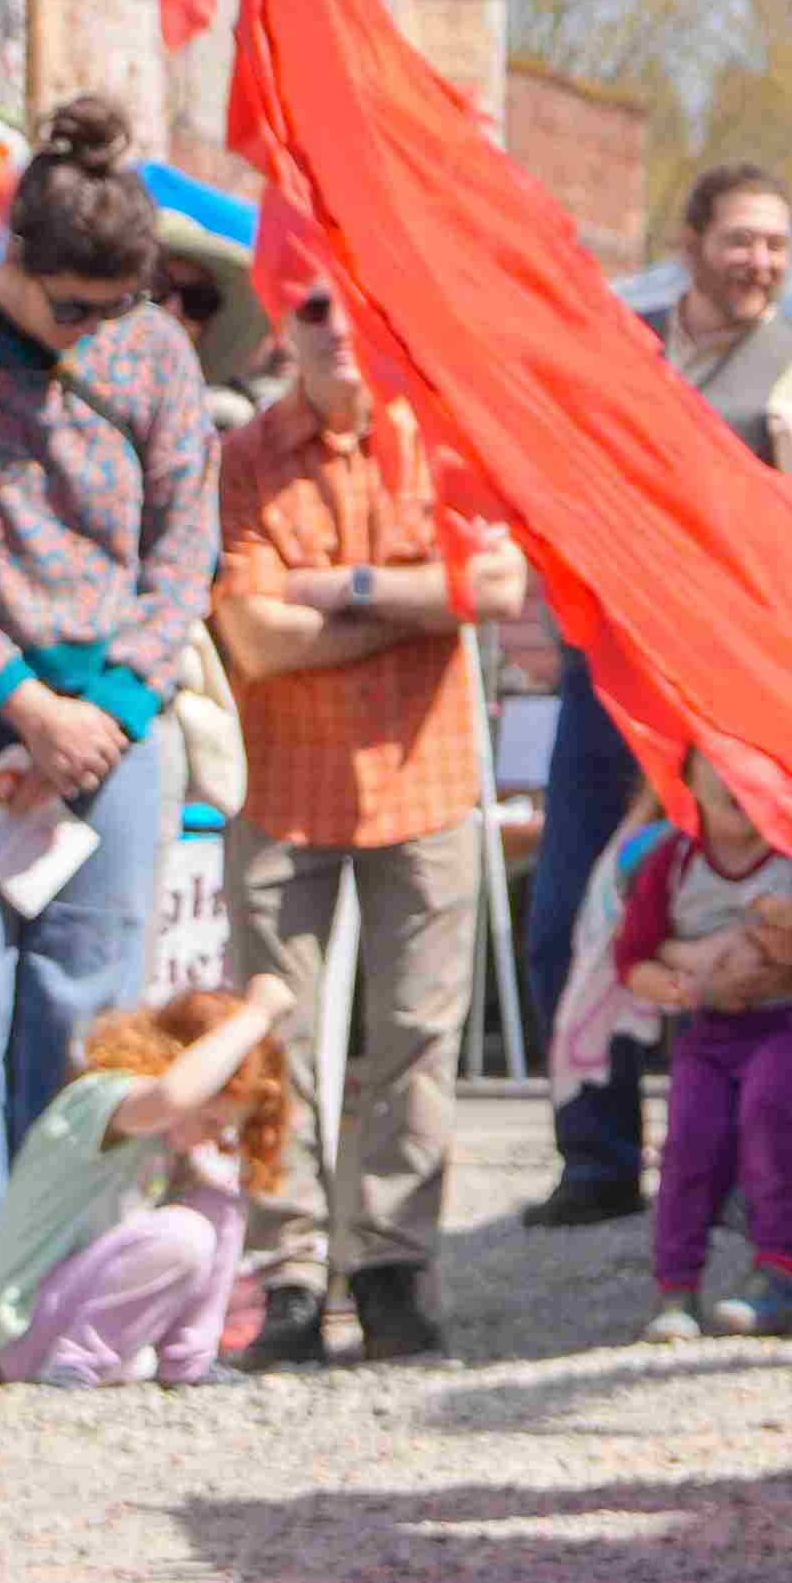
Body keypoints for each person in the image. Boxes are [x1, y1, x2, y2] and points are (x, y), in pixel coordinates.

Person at [527, 168, 792, 1230]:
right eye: (741, 240)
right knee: (568, 912)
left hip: (733, 697)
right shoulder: (625, 352)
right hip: (613, 679)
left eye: (776, 244)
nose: (760, 263)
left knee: (737, 915)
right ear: (689, 244)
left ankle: (744, 1161)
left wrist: (738, 537)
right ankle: (596, 1153)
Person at [0, 106, 226, 1275]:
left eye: (113, 307)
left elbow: (185, 545)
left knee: (91, 1010)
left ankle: (64, 1276)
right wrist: (24, 705)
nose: (88, 332)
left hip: (116, 729)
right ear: (10, 255)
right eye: (69, 307)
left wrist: (115, 711)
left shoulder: (155, 352)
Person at [199, 306, 513, 1363]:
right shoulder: (245, 455)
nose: (335, 328)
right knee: (273, 1038)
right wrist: (422, 607)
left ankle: (391, 1266)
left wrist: (338, 590)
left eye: (351, 305)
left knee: (417, 1034)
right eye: (312, 308)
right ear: (281, 323)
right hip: (283, 780)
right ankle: (287, 1274)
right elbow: (254, 634)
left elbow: (498, 587)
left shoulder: (443, 440)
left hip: (424, 777)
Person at [0, 969, 289, 1386]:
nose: (214, 1137)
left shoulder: (162, 1141)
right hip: (23, 1333)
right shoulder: (103, 1097)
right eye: (210, 1121)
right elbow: (173, 1097)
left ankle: (188, 1361)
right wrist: (256, 1014)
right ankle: (76, 1366)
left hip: (67, 1313)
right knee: (185, 1234)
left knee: (220, 1203)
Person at [606, 768, 792, 1341]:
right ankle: (676, 1289)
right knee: (688, 1143)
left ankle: (780, 1272)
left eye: (750, 761)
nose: (737, 776)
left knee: (771, 1117)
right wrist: (688, 987)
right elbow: (630, 958)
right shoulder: (673, 860)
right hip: (707, 1034)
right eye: (719, 759)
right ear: (686, 775)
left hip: (787, 1025)